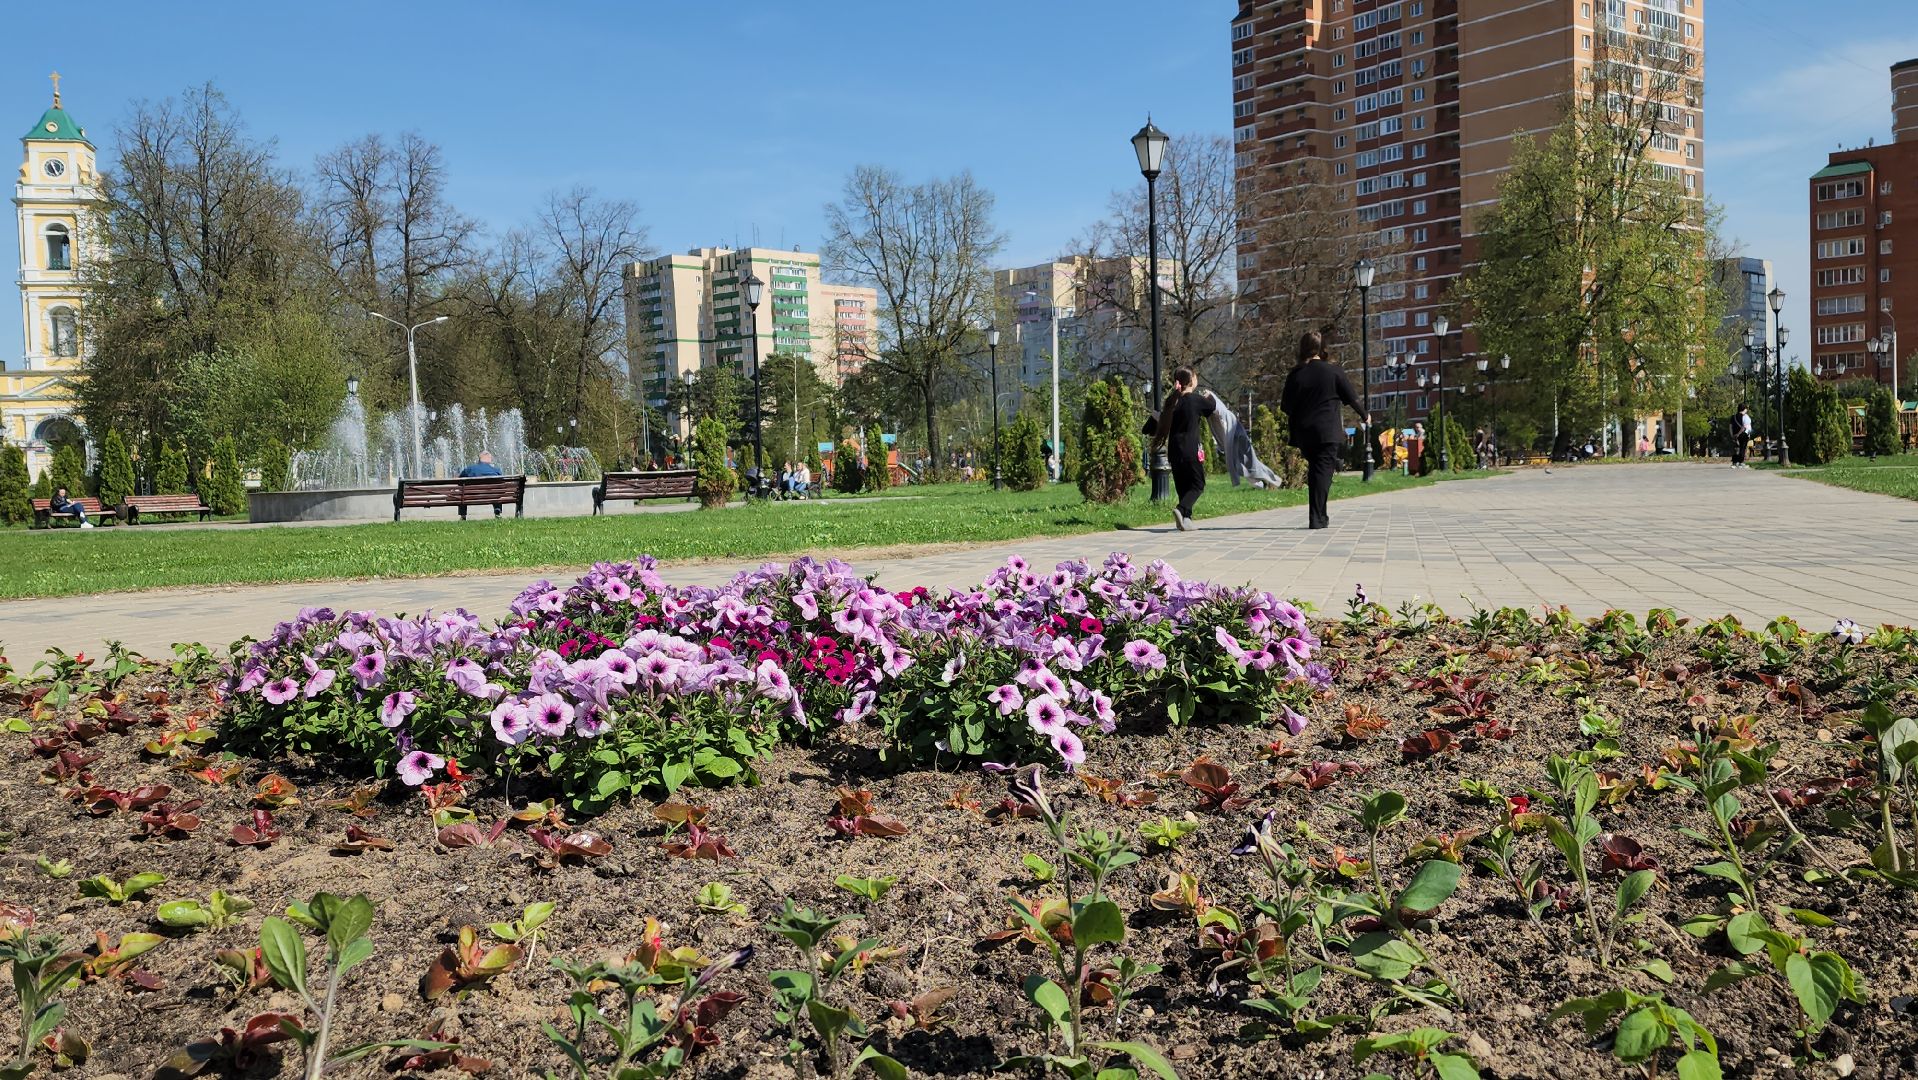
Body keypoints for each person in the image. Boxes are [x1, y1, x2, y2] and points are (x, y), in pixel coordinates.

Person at [1281, 330, 1367, 530]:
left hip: (1304, 433)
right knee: (1323, 473)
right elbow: (1352, 398)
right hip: (1327, 431)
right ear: (1322, 349)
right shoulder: (1333, 371)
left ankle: (1320, 515)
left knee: (1316, 471)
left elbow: (1285, 406)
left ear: (1302, 349)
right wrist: (1365, 415)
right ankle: (1317, 518)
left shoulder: (1295, 374)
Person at [1147, 366, 1217, 531]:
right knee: (1198, 484)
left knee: (1183, 486)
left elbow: (1151, 426)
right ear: (1192, 380)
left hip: (1174, 451)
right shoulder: (1195, 399)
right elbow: (1211, 407)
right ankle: (1181, 509)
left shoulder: (1173, 402)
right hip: (1190, 449)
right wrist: (1210, 396)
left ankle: (1186, 520)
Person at [457, 451, 507, 518]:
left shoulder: (469, 469)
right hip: (492, 495)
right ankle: (497, 510)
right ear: (489, 459)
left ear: (479, 459)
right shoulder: (496, 470)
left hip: (471, 495)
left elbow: (459, 481)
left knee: (462, 492)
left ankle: (463, 515)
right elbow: (502, 483)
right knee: (496, 490)